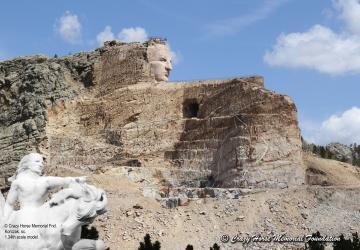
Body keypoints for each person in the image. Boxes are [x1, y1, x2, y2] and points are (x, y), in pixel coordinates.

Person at [3, 152, 86, 218]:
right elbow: (9, 204)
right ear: (27, 164)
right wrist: (5, 220)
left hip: (41, 217)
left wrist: (81, 179)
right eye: (37, 161)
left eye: (42, 162)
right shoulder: (18, 182)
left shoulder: (46, 181)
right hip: (23, 217)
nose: (41, 164)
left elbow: (65, 180)